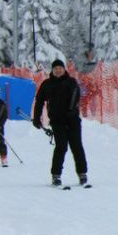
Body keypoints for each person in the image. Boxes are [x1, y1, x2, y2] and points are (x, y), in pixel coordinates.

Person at [33, 58, 88, 186]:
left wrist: (71, 110)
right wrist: (37, 117)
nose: (58, 70)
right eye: (55, 68)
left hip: (73, 120)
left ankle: (82, 173)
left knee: (77, 146)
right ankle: (56, 175)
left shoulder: (71, 82)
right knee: (61, 147)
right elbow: (39, 101)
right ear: (52, 70)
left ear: (64, 69)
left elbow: (76, 96)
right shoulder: (47, 84)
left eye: (60, 68)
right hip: (57, 121)